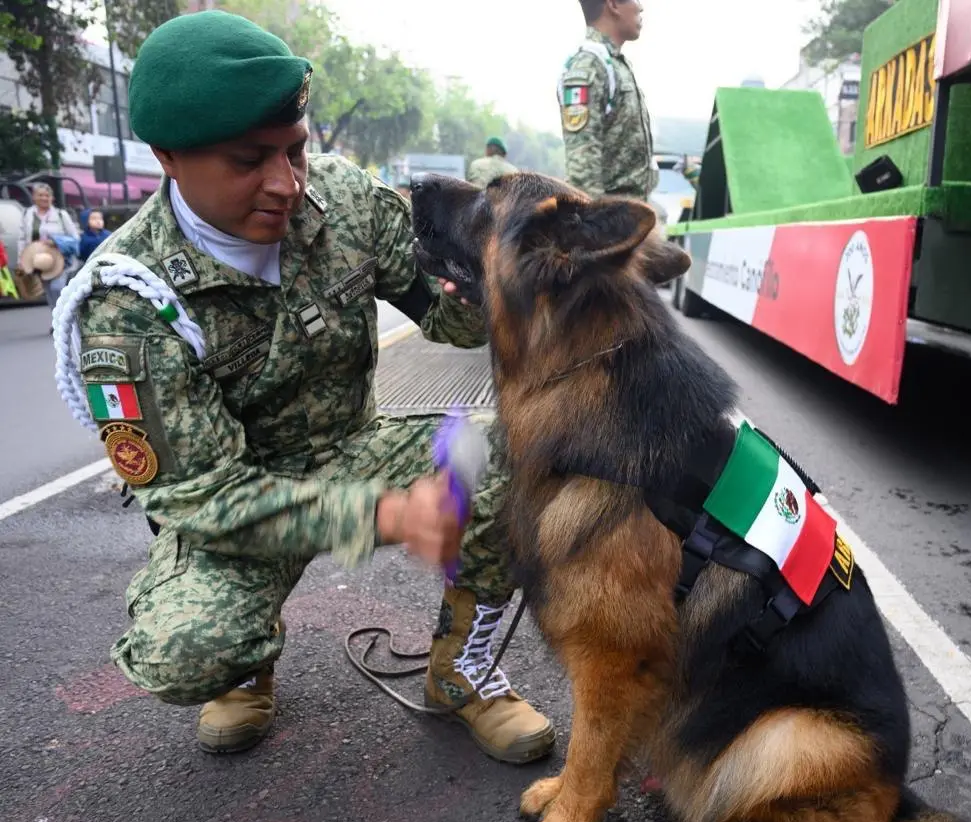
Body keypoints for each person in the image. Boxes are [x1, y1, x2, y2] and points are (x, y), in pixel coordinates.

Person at [52, 10, 556, 763]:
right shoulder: (128, 301)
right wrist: (382, 516)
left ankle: (462, 671)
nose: (286, 184)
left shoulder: (345, 202)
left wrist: (495, 280)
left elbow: (448, 321)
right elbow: (206, 499)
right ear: (169, 158)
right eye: (249, 160)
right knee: (187, 649)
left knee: (518, 451)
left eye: (297, 151)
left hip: (357, 448)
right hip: (240, 503)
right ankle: (245, 664)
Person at [559, 0, 657, 200]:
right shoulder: (589, 65)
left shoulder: (613, 63)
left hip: (630, 213)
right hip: (612, 218)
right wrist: (596, 226)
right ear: (613, 5)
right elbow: (582, 166)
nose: (641, 6)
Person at [17, 182, 80, 317]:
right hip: (38, 261)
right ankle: (57, 319)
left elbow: (75, 237)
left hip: (60, 259)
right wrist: (21, 261)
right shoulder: (27, 214)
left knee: (57, 288)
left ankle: (67, 317)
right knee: (49, 291)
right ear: (34, 197)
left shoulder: (61, 215)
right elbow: (22, 238)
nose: (44, 198)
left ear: (52, 198)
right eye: (40, 195)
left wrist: (55, 242)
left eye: (47, 195)